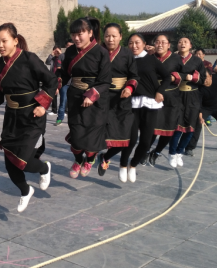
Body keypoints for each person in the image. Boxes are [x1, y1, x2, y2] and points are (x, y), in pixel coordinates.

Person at [0, 23, 56, 212]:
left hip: (32, 116)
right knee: (10, 162)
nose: (0, 45)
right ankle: (25, 191)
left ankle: (44, 168)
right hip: (12, 119)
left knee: (25, 160)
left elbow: (51, 80)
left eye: (4, 41)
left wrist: (43, 105)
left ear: (15, 40)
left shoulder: (29, 59)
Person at [101, 33, 171, 182]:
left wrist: (160, 91)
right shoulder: (125, 59)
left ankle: (133, 165)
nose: (134, 46)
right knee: (130, 139)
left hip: (150, 103)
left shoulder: (151, 59)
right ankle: (122, 164)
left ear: (144, 44)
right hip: (130, 103)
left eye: (137, 42)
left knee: (146, 141)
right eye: (131, 43)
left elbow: (167, 77)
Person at [61, 17, 111, 178]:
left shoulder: (101, 52)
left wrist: (92, 95)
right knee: (76, 135)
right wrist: (55, 83)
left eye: (80, 34)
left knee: (92, 137)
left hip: (96, 102)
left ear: (90, 33)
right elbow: (64, 74)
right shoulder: (70, 52)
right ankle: (78, 159)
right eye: (73, 34)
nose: (76, 38)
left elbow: (105, 81)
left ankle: (90, 159)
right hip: (75, 97)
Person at [98, 23, 139, 181]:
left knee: (126, 137)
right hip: (102, 99)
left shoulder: (127, 54)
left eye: (114, 36)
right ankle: (87, 159)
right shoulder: (98, 52)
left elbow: (134, 76)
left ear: (120, 37)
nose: (110, 39)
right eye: (107, 36)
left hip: (122, 100)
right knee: (103, 134)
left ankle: (106, 157)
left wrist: (129, 87)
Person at [167, 37, 206, 168]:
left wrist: (194, 78)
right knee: (177, 128)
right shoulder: (172, 58)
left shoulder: (197, 61)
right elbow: (166, 75)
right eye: (179, 42)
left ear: (190, 46)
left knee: (190, 129)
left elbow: (203, 78)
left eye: (185, 42)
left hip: (193, 96)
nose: (182, 44)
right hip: (177, 95)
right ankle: (172, 153)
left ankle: (179, 152)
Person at [146, 34, 183, 166]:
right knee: (152, 129)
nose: (160, 44)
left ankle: (156, 152)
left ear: (168, 45)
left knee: (168, 129)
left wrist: (176, 76)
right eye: (157, 42)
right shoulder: (149, 58)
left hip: (171, 98)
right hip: (153, 97)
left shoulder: (176, 58)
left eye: (163, 42)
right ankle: (145, 151)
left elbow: (186, 73)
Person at [185, 69, 217, 155]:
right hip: (204, 108)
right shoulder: (199, 87)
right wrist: (200, 117)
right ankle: (189, 147)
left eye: (205, 77)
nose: (204, 80)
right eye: (202, 78)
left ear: (211, 76)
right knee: (198, 124)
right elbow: (198, 104)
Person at [45, 45, 64, 118]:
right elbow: (47, 62)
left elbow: (65, 62)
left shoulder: (63, 57)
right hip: (53, 77)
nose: (57, 52)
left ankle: (64, 110)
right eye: (55, 51)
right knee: (54, 94)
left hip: (61, 77)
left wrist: (61, 54)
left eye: (58, 50)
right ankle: (54, 110)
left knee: (63, 94)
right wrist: (51, 54)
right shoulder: (53, 58)